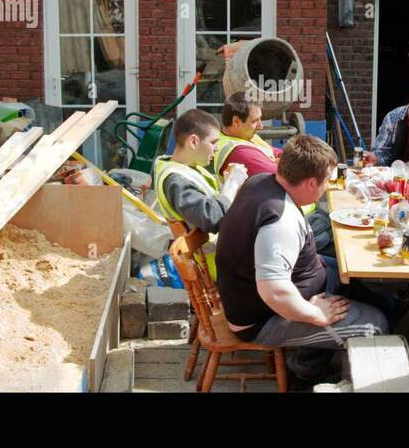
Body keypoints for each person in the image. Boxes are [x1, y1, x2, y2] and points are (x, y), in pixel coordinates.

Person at [216, 134, 389, 383]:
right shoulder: (280, 222)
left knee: (345, 273)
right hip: (263, 321)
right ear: (310, 183)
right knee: (375, 325)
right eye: (326, 181)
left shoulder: (261, 181)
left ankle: (307, 366)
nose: (327, 187)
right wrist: (315, 314)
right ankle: (333, 380)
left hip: (276, 294)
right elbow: (274, 293)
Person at [214, 92, 335, 256]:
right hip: (280, 220)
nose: (261, 126)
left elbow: (284, 155)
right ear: (236, 121)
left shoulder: (247, 137)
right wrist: (280, 162)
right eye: (255, 121)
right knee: (333, 226)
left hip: (291, 211)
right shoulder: (237, 151)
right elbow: (287, 174)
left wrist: (280, 160)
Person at [153, 109, 247, 234]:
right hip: (217, 252)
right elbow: (212, 218)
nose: (217, 148)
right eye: (213, 142)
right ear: (193, 142)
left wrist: (228, 185)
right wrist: (232, 183)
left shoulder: (188, 168)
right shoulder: (176, 180)